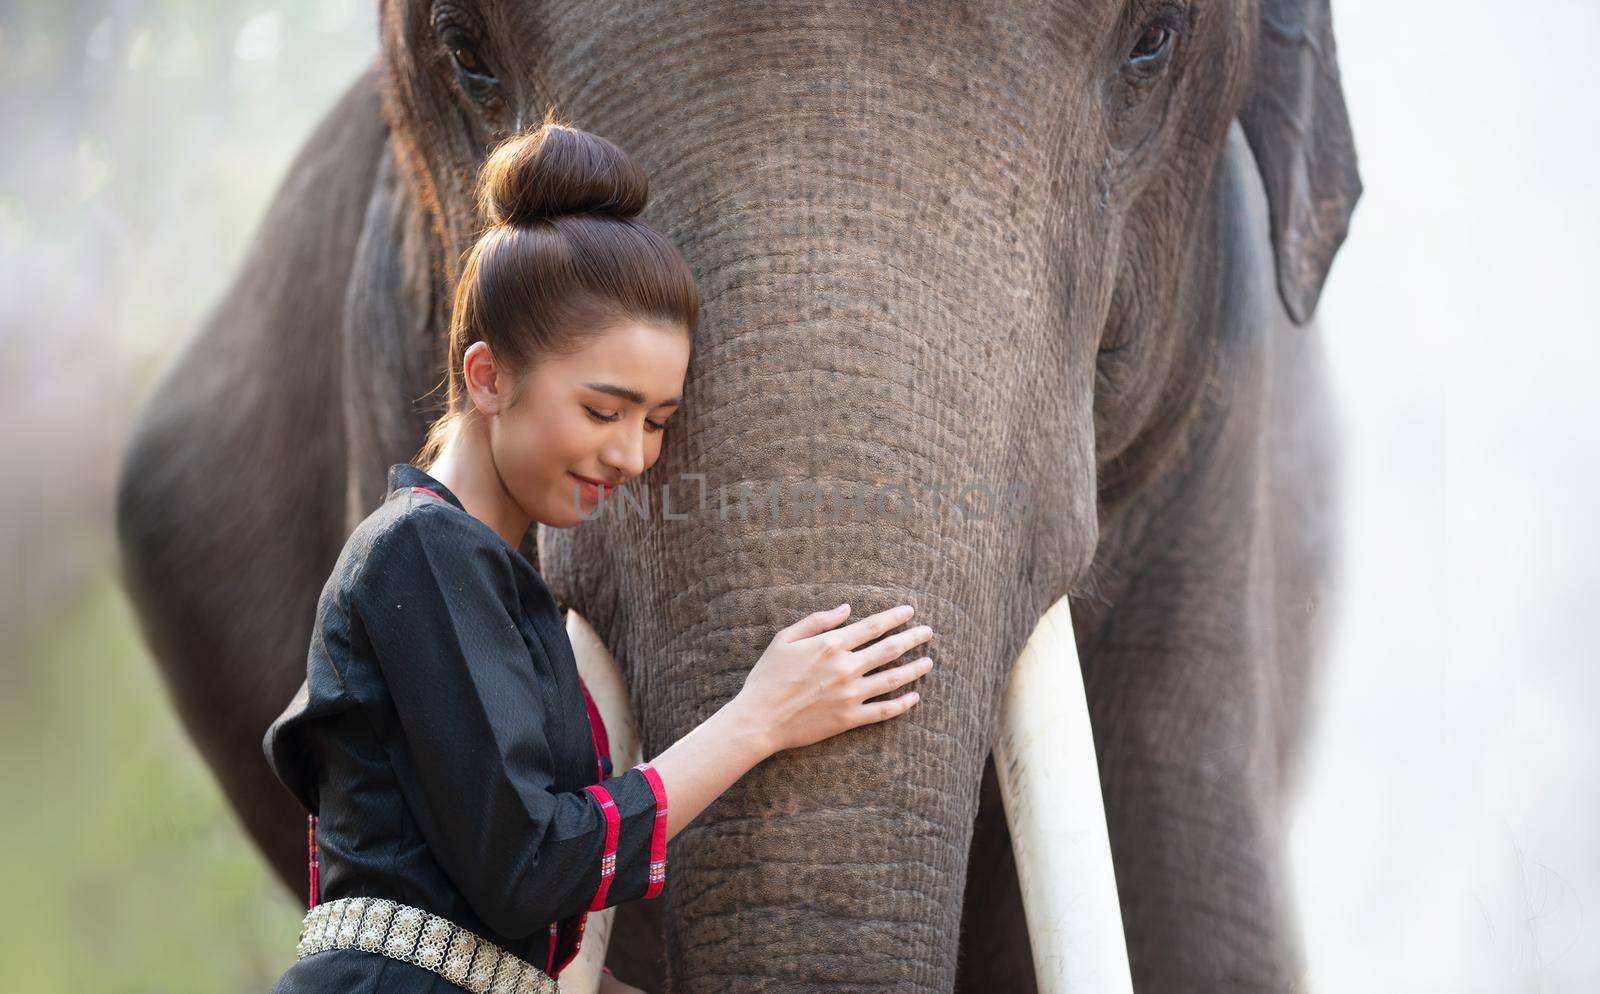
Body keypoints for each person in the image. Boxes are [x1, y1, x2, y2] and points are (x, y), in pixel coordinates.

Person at [261, 113, 937, 994]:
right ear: (487, 376)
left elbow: (480, 920)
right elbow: (532, 865)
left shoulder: (489, 583)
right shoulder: (421, 549)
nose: (632, 456)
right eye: (603, 410)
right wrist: (757, 719)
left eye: (657, 423)